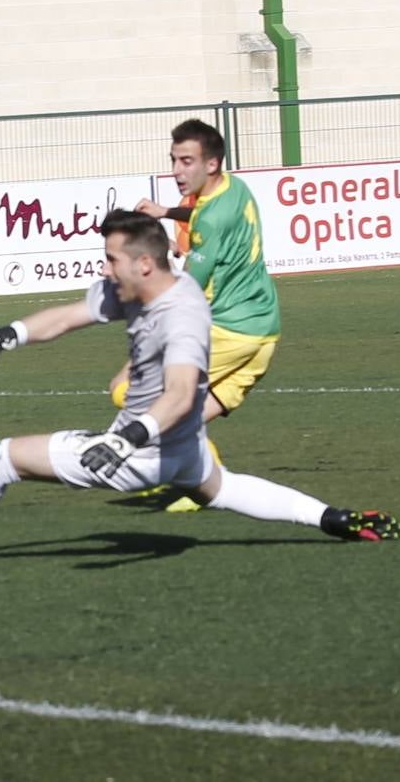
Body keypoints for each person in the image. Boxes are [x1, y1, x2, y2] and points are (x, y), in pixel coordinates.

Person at [0, 209, 400, 549]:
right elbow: (68, 316)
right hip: (183, 445)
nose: (103, 268)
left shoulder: (182, 316)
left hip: (142, 450)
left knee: (0, 457)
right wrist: (1, 335)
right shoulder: (137, 290)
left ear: (143, 264)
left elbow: (181, 392)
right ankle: (335, 519)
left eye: (109, 259)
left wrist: (124, 439)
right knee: (223, 488)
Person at [112, 119, 281, 513]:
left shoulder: (210, 217)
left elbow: (186, 287)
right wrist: (167, 212)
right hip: (264, 330)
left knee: (128, 387)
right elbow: (205, 218)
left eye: (186, 161)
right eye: (173, 160)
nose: (176, 170)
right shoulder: (235, 187)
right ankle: (184, 473)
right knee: (187, 415)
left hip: (230, 328)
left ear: (211, 164)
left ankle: (200, 479)